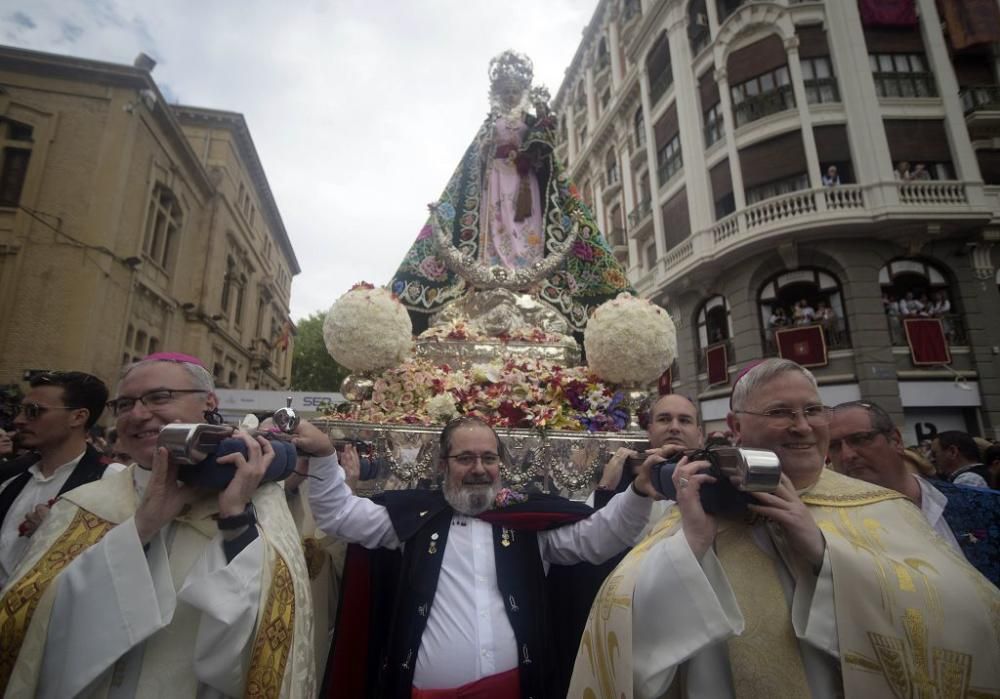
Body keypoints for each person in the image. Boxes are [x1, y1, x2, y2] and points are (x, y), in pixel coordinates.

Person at [569, 358, 1000, 697]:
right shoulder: (697, 512)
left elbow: (971, 617)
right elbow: (619, 623)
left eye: (813, 410)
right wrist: (691, 547)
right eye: (780, 412)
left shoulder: (882, 507)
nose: (802, 426)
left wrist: (826, 555)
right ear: (736, 427)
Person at [0, 353, 314, 698]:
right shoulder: (85, 504)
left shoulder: (260, 505)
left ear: (209, 403)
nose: (137, 414)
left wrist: (235, 520)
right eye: (125, 404)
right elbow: (30, 629)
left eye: (160, 397)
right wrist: (141, 529)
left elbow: (259, 647)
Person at [299, 415, 655, 698]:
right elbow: (338, 515)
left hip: (517, 688)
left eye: (488, 458)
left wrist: (639, 492)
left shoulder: (528, 521)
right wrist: (325, 455)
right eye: (465, 458)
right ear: (442, 465)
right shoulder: (414, 519)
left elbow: (600, 536)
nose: (479, 468)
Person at [389, 50, 632, 335]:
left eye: (515, 90)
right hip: (496, 179)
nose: (510, 95)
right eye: (505, 91)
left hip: (524, 180)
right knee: (496, 224)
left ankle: (524, 269)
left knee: (524, 226)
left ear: (522, 91)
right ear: (497, 92)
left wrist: (539, 135)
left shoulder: (531, 119)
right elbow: (476, 158)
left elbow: (547, 148)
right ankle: (494, 267)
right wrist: (486, 151)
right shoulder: (491, 122)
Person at [829, 400, 999, 585]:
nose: (847, 455)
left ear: (896, 440)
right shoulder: (832, 534)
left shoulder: (985, 505)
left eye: (860, 439)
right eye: (834, 446)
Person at [0, 371, 112, 589]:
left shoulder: (110, 481)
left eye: (34, 412)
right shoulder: (9, 475)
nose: (19, 421)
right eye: (19, 410)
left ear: (78, 417)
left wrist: (53, 535)